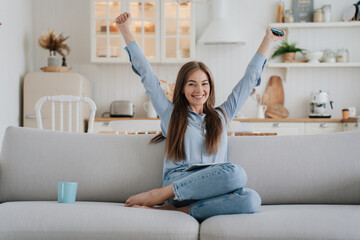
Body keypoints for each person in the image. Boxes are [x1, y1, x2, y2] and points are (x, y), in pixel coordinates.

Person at [116, 12, 284, 222]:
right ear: (183, 89)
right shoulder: (171, 115)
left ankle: (178, 211)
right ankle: (159, 195)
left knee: (251, 199)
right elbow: (147, 76)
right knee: (236, 173)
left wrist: (268, 40)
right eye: (192, 84)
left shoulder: (222, 116)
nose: (199, 90)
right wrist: (125, 31)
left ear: (210, 87)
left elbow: (249, 80)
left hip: (213, 188)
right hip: (178, 185)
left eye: (204, 84)